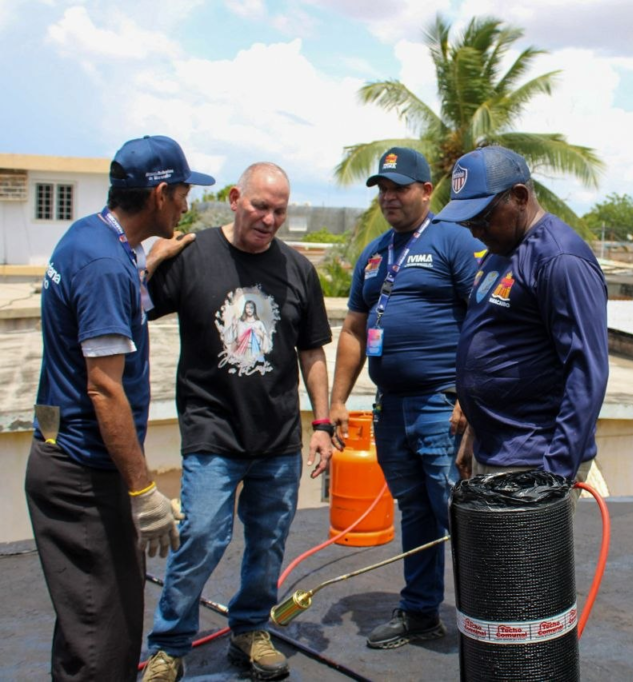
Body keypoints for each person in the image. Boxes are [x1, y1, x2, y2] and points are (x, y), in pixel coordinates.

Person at [25, 135, 213, 681]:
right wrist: (142, 492)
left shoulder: (91, 239)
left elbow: (103, 299)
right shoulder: (106, 266)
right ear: (159, 194)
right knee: (102, 639)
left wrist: (146, 265)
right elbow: (104, 389)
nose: (185, 204)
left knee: (87, 622)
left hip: (62, 455)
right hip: (83, 476)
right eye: (182, 192)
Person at [142, 163, 333, 681]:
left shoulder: (297, 269)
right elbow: (133, 308)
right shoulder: (192, 255)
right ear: (234, 198)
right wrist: (146, 263)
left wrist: (322, 424)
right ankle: (169, 646)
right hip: (212, 430)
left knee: (268, 543)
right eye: (259, 206)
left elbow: (312, 351)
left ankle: (250, 629)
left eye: (279, 211)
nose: (269, 219)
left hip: (277, 436)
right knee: (202, 536)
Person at [330, 147, 482, 649]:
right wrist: (336, 402)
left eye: (399, 187)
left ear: (426, 191)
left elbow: (485, 319)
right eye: (382, 188)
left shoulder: (453, 239)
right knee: (415, 511)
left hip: (441, 404)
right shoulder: (376, 253)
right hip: (391, 406)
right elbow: (353, 329)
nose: (389, 197)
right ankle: (420, 612)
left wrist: (468, 396)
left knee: (457, 513)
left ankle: (497, 617)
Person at [433, 146, 609, 485]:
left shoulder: (560, 260)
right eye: (468, 221)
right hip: (494, 452)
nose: (474, 231)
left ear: (519, 197)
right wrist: (474, 432)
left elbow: (587, 373)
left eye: (482, 218)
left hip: (534, 463)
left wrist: (553, 477)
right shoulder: (499, 250)